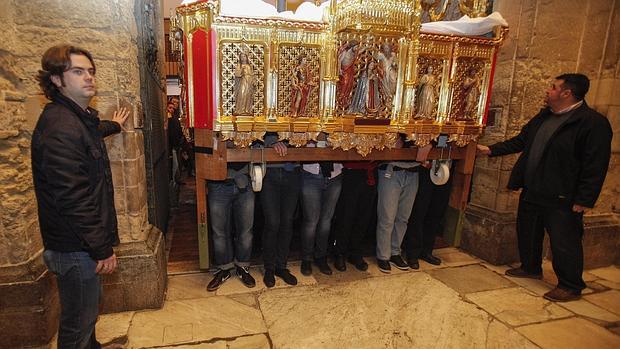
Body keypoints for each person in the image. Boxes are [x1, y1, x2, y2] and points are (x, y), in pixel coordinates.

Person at [477, 73, 612, 302]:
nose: (548, 91)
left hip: (562, 194)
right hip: (534, 187)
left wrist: (584, 199)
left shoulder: (592, 123)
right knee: (528, 231)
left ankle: (570, 285)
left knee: (564, 239)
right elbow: (521, 141)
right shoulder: (544, 116)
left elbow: (595, 165)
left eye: (553, 87)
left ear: (567, 93)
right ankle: (530, 267)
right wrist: (490, 150)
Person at [32, 44, 129, 348]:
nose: (89, 77)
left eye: (90, 71)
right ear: (57, 80)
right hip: (75, 248)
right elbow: (73, 198)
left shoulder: (73, 118)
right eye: (77, 71)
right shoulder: (61, 127)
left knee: (88, 314)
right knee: (78, 324)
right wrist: (101, 249)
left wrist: (115, 125)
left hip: (78, 246)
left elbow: (91, 132)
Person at [206, 157, 256, 292]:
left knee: (246, 231)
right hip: (216, 182)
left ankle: (243, 267)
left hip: (244, 180)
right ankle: (224, 269)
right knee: (219, 232)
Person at [374, 137, 422, 273]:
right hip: (391, 169)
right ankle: (383, 255)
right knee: (387, 217)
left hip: (413, 170)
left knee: (403, 217)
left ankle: (395, 252)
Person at [260, 134, 300, 287]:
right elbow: (256, 128)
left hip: (293, 170)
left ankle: (281, 266)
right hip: (270, 171)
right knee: (272, 222)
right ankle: (269, 268)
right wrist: (272, 141)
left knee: (287, 222)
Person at [299, 143, 343, 276]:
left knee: (326, 221)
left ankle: (321, 257)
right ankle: (306, 258)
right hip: (310, 172)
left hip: (335, 173)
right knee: (311, 221)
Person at [403, 161, 453, 269]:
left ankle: (426, 250)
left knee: (436, 212)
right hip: (426, 169)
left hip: (446, 168)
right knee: (419, 212)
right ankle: (412, 252)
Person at [332, 161, 378, 272]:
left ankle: (355, 252)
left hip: (370, 170)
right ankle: (339, 253)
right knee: (346, 216)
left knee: (363, 217)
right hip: (351, 171)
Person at [337, 40, 360, 109]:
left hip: (350, 71)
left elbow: (360, 51)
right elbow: (339, 60)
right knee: (345, 84)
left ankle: (345, 99)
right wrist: (339, 70)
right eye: (356, 47)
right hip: (344, 71)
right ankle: (340, 99)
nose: (357, 48)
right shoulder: (345, 52)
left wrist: (367, 45)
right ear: (352, 46)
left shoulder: (354, 53)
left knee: (349, 85)